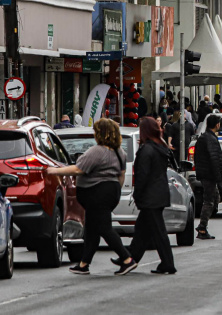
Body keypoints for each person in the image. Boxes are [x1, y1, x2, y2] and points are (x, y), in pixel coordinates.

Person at [47, 118, 136, 276]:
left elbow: (78, 169)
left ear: (101, 134)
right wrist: (114, 191)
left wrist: (53, 171)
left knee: (104, 228)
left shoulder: (97, 151)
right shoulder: (119, 152)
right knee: (92, 229)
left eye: (96, 131)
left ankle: (127, 258)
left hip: (97, 194)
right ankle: (84, 263)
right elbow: (121, 175)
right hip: (110, 191)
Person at [123, 117, 176, 275]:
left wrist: (137, 194)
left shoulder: (147, 150)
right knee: (142, 230)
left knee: (158, 232)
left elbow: (142, 175)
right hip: (158, 194)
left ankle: (168, 263)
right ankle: (130, 258)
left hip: (150, 196)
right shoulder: (160, 147)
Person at [194, 114, 222, 239]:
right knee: (210, 200)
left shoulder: (205, 137)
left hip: (206, 173)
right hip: (209, 174)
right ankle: (202, 228)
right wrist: (219, 172)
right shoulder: (210, 139)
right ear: (217, 125)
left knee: (215, 198)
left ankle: (203, 226)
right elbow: (213, 158)